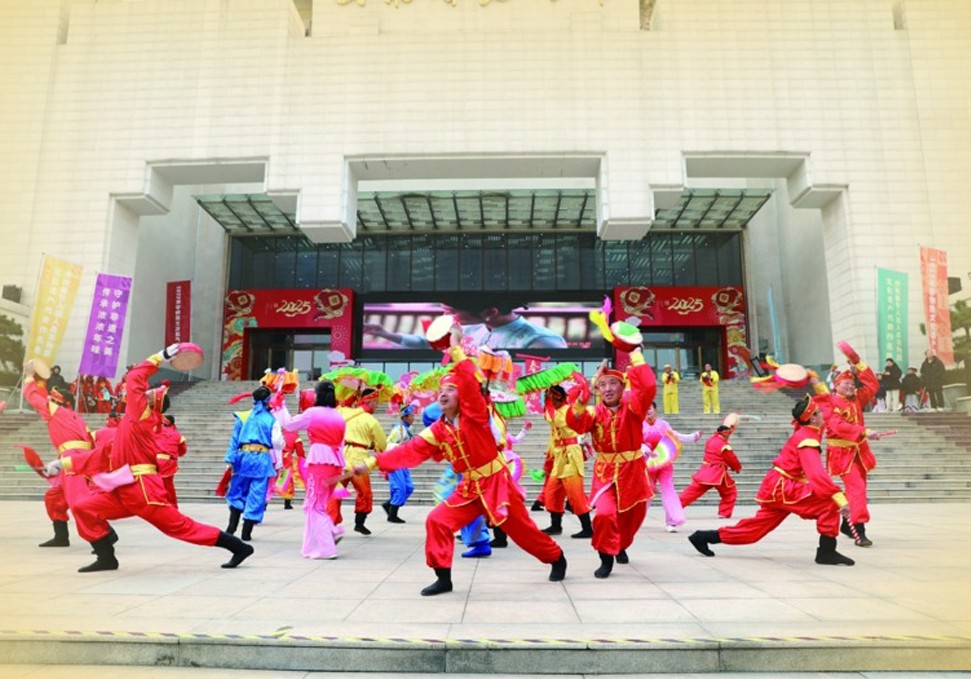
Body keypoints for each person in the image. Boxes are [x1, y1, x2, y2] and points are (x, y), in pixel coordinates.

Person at [347, 324, 567, 596]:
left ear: (462, 395)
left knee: (524, 532)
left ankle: (556, 557)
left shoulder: (476, 415)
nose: (443, 393)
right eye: (441, 390)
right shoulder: (439, 429)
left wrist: (455, 349)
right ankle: (444, 578)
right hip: (469, 487)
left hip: (497, 483)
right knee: (437, 521)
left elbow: (471, 386)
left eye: (451, 389)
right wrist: (371, 463)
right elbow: (410, 450)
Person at [47, 344, 254, 572]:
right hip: (124, 489)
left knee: (181, 527)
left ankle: (238, 547)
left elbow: (134, 378)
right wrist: (63, 463)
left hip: (143, 490)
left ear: (150, 403)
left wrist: (160, 357)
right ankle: (106, 557)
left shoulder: (140, 418)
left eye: (147, 394)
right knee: (83, 507)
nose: (142, 394)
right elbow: (101, 455)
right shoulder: (129, 425)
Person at [687, 395, 855, 567]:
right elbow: (817, 474)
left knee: (754, 531)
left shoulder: (807, 432)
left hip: (778, 486)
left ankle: (702, 537)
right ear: (812, 418)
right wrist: (840, 498)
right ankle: (827, 551)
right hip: (785, 487)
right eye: (819, 412)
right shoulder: (807, 440)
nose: (823, 414)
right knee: (829, 503)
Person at [566, 348, 657, 579]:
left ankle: (620, 544)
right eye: (602, 385)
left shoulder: (634, 408)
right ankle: (606, 557)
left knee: (632, 517)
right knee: (605, 515)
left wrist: (636, 355)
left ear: (622, 387)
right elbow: (575, 423)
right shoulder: (593, 413)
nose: (607, 389)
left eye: (613, 383)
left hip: (633, 472)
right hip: (605, 473)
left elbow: (647, 387)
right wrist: (582, 397)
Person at [22, 362, 98, 548]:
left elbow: (34, 398)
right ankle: (61, 537)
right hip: (76, 459)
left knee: (79, 501)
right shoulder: (76, 417)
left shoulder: (57, 411)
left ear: (60, 401)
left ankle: (104, 539)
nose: (49, 400)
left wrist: (30, 376)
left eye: (52, 398)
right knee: (54, 497)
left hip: (72, 460)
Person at [272, 382, 347, 559]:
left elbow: (289, 425)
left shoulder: (313, 413)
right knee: (314, 505)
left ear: (317, 395)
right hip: (335, 463)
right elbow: (341, 443)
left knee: (314, 506)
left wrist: (281, 406)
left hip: (319, 462)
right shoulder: (339, 416)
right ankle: (314, 544)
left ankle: (328, 545)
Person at [363, 297, 567, 351]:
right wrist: (386, 334)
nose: (445, 315)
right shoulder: (470, 329)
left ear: (490, 312)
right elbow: (427, 343)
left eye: (451, 311)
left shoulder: (541, 341)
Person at [823, 359, 881, 547]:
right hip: (842, 452)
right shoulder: (831, 402)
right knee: (857, 488)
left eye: (852, 383)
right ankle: (859, 528)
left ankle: (847, 525)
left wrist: (858, 364)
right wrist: (864, 431)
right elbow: (838, 426)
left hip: (859, 451)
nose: (850, 386)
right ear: (836, 385)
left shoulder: (856, 398)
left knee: (858, 488)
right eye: (846, 383)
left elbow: (873, 385)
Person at [224, 386, 284, 542]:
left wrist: (230, 459)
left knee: (237, 491)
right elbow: (278, 443)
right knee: (257, 495)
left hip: (243, 458)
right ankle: (246, 532)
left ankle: (231, 527)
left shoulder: (243, 416)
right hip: (262, 459)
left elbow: (234, 440)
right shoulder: (271, 419)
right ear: (268, 400)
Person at [328, 388, 387, 536]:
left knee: (336, 492)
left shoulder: (345, 412)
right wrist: (374, 447)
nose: (377, 405)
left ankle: (331, 523)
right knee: (364, 492)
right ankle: (359, 523)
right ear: (371, 401)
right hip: (359, 459)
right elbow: (382, 445)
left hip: (341, 457)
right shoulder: (371, 420)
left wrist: (353, 395)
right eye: (376, 402)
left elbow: (339, 407)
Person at [538, 385, 592, 539]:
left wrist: (549, 407)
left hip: (571, 454)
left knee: (575, 493)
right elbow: (553, 434)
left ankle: (587, 528)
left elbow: (557, 420)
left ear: (558, 397)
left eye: (550, 397)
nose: (548, 400)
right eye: (547, 397)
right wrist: (549, 454)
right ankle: (556, 525)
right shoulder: (554, 412)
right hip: (559, 455)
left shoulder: (568, 410)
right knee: (552, 492)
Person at [642, 401, 701, 532]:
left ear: (655, 410)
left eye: (650, 408)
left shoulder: (663, 424)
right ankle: (636, 519)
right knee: (646, 492)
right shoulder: (639, 425)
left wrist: (692, 437)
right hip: (647, 464)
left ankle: (672, 521)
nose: (648, 411)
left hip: (664, 463)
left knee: (668, 489)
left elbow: (675, 436)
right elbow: (635, 442)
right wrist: (646, 450)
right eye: (645, 408)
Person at [679, 415, 743, 519]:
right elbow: (731, 459)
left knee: (691, 492)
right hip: (718, 473)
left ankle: (675, 507)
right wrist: (737, 468)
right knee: (730, 492)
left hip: (705, 471)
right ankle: (724, 513)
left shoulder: (711, 440)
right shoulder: (724, 445)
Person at [382, 404, 417, 523]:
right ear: (404, 417)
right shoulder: (399, 429)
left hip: (403, 462)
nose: (413, 418)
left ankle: (389, 505)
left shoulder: (408, 429)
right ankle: (392, 514)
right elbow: (387, 445)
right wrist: (398, 446)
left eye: (413, 416)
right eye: (411, 416)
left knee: (409, 487)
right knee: (400, 487)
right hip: (394, 461)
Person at [156, 413, 187, 507]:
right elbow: (183, 451)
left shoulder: (156, 432)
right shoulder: (178, 436)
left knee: (156, 485)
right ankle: (172, 505)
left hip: (155, 462)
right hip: (169, 463)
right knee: (168, 485)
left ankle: (159, 504)